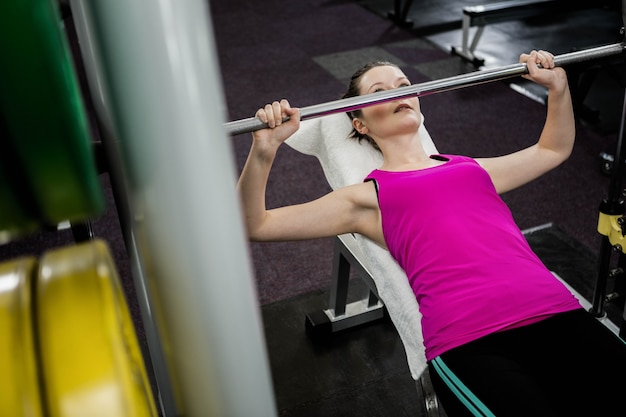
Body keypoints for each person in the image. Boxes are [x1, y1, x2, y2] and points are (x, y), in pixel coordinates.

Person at [237, 50, 626, 416]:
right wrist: (264, 150)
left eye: (403, 84)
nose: (397, 93)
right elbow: (255, 225)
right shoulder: (366, 197)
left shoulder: (470, 168)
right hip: (472, 342)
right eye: (379, 91)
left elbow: (552, 150)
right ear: (360, 123)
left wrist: (557, 87)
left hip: (556, 314)